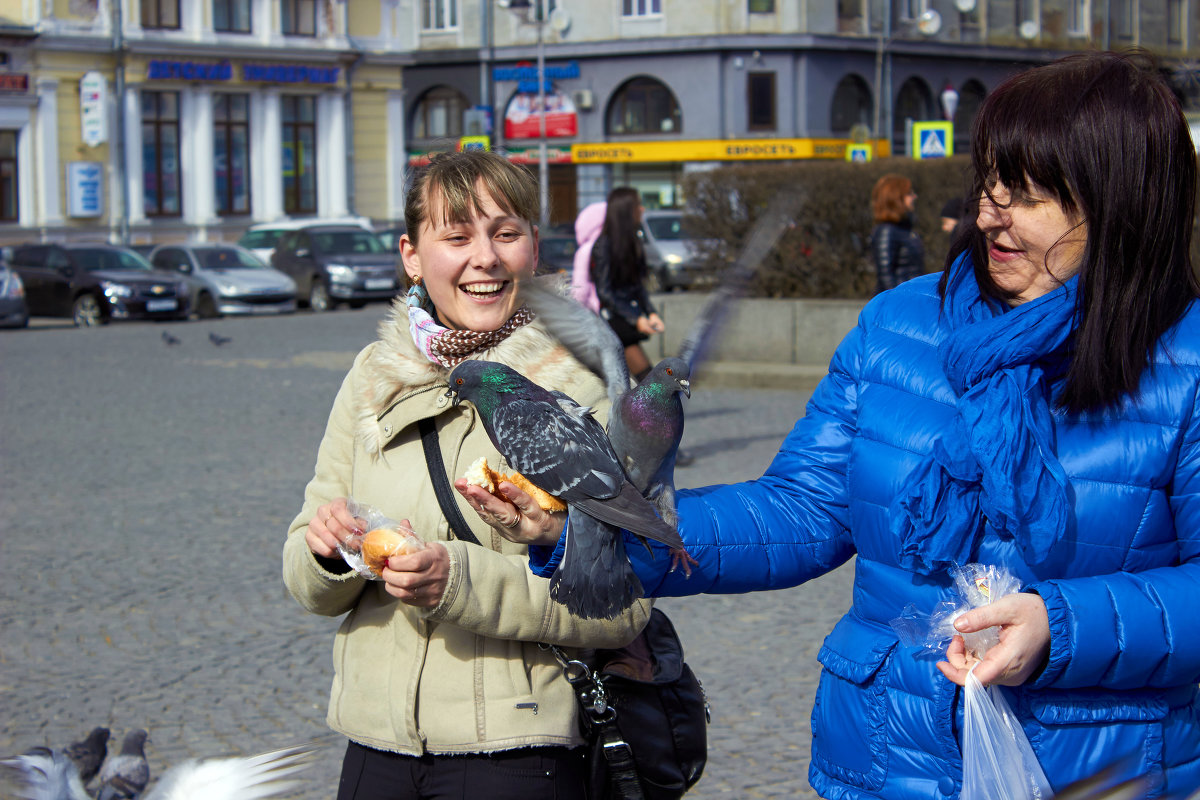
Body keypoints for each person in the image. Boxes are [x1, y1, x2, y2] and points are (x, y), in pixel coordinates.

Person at [470, 52, 1200, 796]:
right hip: (889, 761)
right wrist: (597, 526)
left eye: (1029, 194)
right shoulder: (900, 324)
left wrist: (1061, 626)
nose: (988, 212)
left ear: (1120, 204)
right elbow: (803, 509)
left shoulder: (1188, 363)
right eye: (989, 181)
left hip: (1099, 769)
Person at [282, 150, 650, 800]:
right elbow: (304, 576)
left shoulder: (583, 388)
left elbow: (624, 606)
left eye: (505, 233)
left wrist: (460, 581)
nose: (485, 257)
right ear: (412, 256)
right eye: (456, 237)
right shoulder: (374, 374)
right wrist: (329, 549)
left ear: (532, 247)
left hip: (513, 754)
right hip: (376, 746)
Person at [590, 186, 665, 380]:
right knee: (647, 380)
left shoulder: (632, 242)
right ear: (626, 210)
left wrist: (651, 312)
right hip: (612, 321)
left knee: (639, 380)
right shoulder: (604, 245)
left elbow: (637, 286)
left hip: (623, 319)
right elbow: (605, 292)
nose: (642, 209)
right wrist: (636, 318)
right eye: (638, 205)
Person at [869, 173, 925, 293]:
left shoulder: (905, 228)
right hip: (900, 302)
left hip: (911, 296)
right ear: (895, 198)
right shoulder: (886, 231)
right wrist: (900, 301)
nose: (914, 197)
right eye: (909, 193)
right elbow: (885, 276)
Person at [570, 199, 605, 313]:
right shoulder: (608, 245)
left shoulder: (585, 250)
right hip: (599, 311)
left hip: (594, 310)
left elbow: (579, 289)